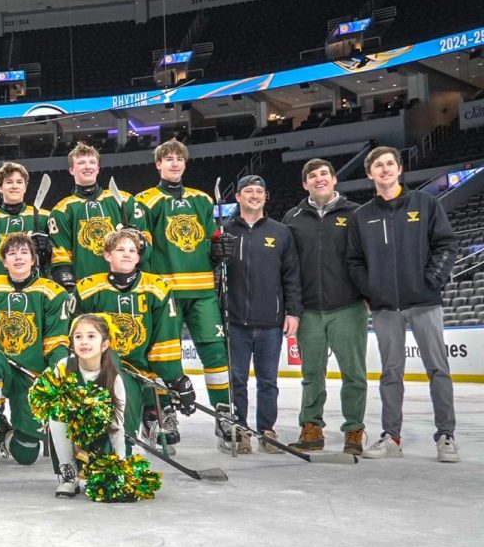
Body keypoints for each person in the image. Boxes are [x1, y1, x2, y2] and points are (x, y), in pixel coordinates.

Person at [346, 146, 459, 462]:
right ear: (370, 174)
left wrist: (431, 281)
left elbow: (447, 245)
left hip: (424, 302)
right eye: (378, 166)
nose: (384, 169)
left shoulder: (426, 204)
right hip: (385, 308)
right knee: (390, 373)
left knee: (438, 369)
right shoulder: (362, 216)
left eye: (389, 164)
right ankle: (391, 436)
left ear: (399, 168)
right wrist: (372, 290)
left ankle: (446, 435)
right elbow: (354, 261)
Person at [127, 139, 233, 452]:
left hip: (202, 291)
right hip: (165, 293)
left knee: (215, 354)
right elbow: (141, 247)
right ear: (158, 164)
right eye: (167, 159)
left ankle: (224, 413)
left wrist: (218, 251)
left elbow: (210, 241)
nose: (174, 163)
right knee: (163, 358)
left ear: (185, 164)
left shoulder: (202, 200)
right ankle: (164, 413)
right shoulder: (145, 201)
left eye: (179, 159)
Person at [0, 233, 69, 473]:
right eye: (12, 253)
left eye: (24, 252)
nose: (18, 257)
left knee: (27, 454)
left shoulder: (52, 292)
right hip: (1, 366)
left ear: (33, 259)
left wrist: (59, 370)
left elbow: (57, 340)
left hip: (33, 375)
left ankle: (4, 431)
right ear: (4, 261)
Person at [283, 159, 369, 455]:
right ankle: (311, 427)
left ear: (334, 180)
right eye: (312, 176)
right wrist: (291, 307)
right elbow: (287, 267)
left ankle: (354, 429)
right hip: (308, 309)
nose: (318, 179)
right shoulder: (292, 217)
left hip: (348, 307)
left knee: (354, 373)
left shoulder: (356, 213)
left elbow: (368, 258)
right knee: (311, 374)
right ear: (305, 184)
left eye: (323, 174)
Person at [74, 229, 188, 449]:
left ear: (138, 257)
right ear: (107, 255)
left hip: (140, 371)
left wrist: (175, 378)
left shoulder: (158, 288)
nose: (127, 254)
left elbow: (164, 339)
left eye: (132, 250)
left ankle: (151, 414)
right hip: (100, 369)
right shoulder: (87, 288)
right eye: (120, 250)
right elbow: (76, 336)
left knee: (124, 428)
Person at [29, 314, 159, 501]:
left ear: (104, 344)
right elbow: (43, 399)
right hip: (71, 435)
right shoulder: (63, 366)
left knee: (106, 485)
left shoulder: (114, 379)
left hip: (102, 437)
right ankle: (69, 472)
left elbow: (117, 426)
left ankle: (97, 465)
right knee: (56, 408)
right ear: (71, 342)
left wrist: (120, 465)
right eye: (78, 336)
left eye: (91, 336)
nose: (84, 342)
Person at [219, 175, 302, 455]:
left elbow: (291, 275)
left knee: (268, 381)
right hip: (235, 322)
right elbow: (214, 275)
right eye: (248, 191)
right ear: (238, 197)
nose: (254, 196)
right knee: (237, 380)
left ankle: (266, 430)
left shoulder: (281, 232)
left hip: (270, 322)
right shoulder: (224, 231)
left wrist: (293, 312)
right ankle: (239, 429)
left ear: (265, 197)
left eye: (259, 191)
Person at [48, 143, 128, 292]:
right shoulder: (61, 211)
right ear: (71, 170)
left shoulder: (123, 200)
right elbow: (61, 260)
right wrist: (72, 291)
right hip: (85, 289)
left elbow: (144, 249)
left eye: (92, 162)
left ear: (98, 168)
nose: (87, 166)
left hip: (122, 286)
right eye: (81, 162)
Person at [0, 161, 52, 280]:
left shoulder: (45, 218)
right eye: (9, 182)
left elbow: (56, 257)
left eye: (19, 182)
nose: (14, 186)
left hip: (37, 290)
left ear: (25, 187)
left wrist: (47, 249)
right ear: (0, 187)